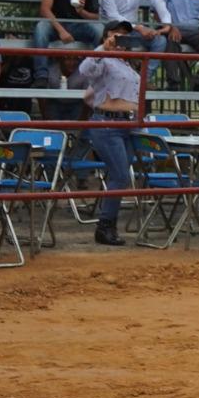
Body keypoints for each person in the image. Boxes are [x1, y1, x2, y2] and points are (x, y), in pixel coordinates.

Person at [74, 22, 145, 246]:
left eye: (124, 35)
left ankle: (107, 225)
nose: (120, 38)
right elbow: (85, 70)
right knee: (120, 175)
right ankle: (105, 226)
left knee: (120, 176)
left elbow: (89, 95)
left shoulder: (126, 63)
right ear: (107, 36)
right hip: (108, 124)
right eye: (116, 34)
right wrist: (104, 48)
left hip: (127, 124)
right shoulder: (103, 59)